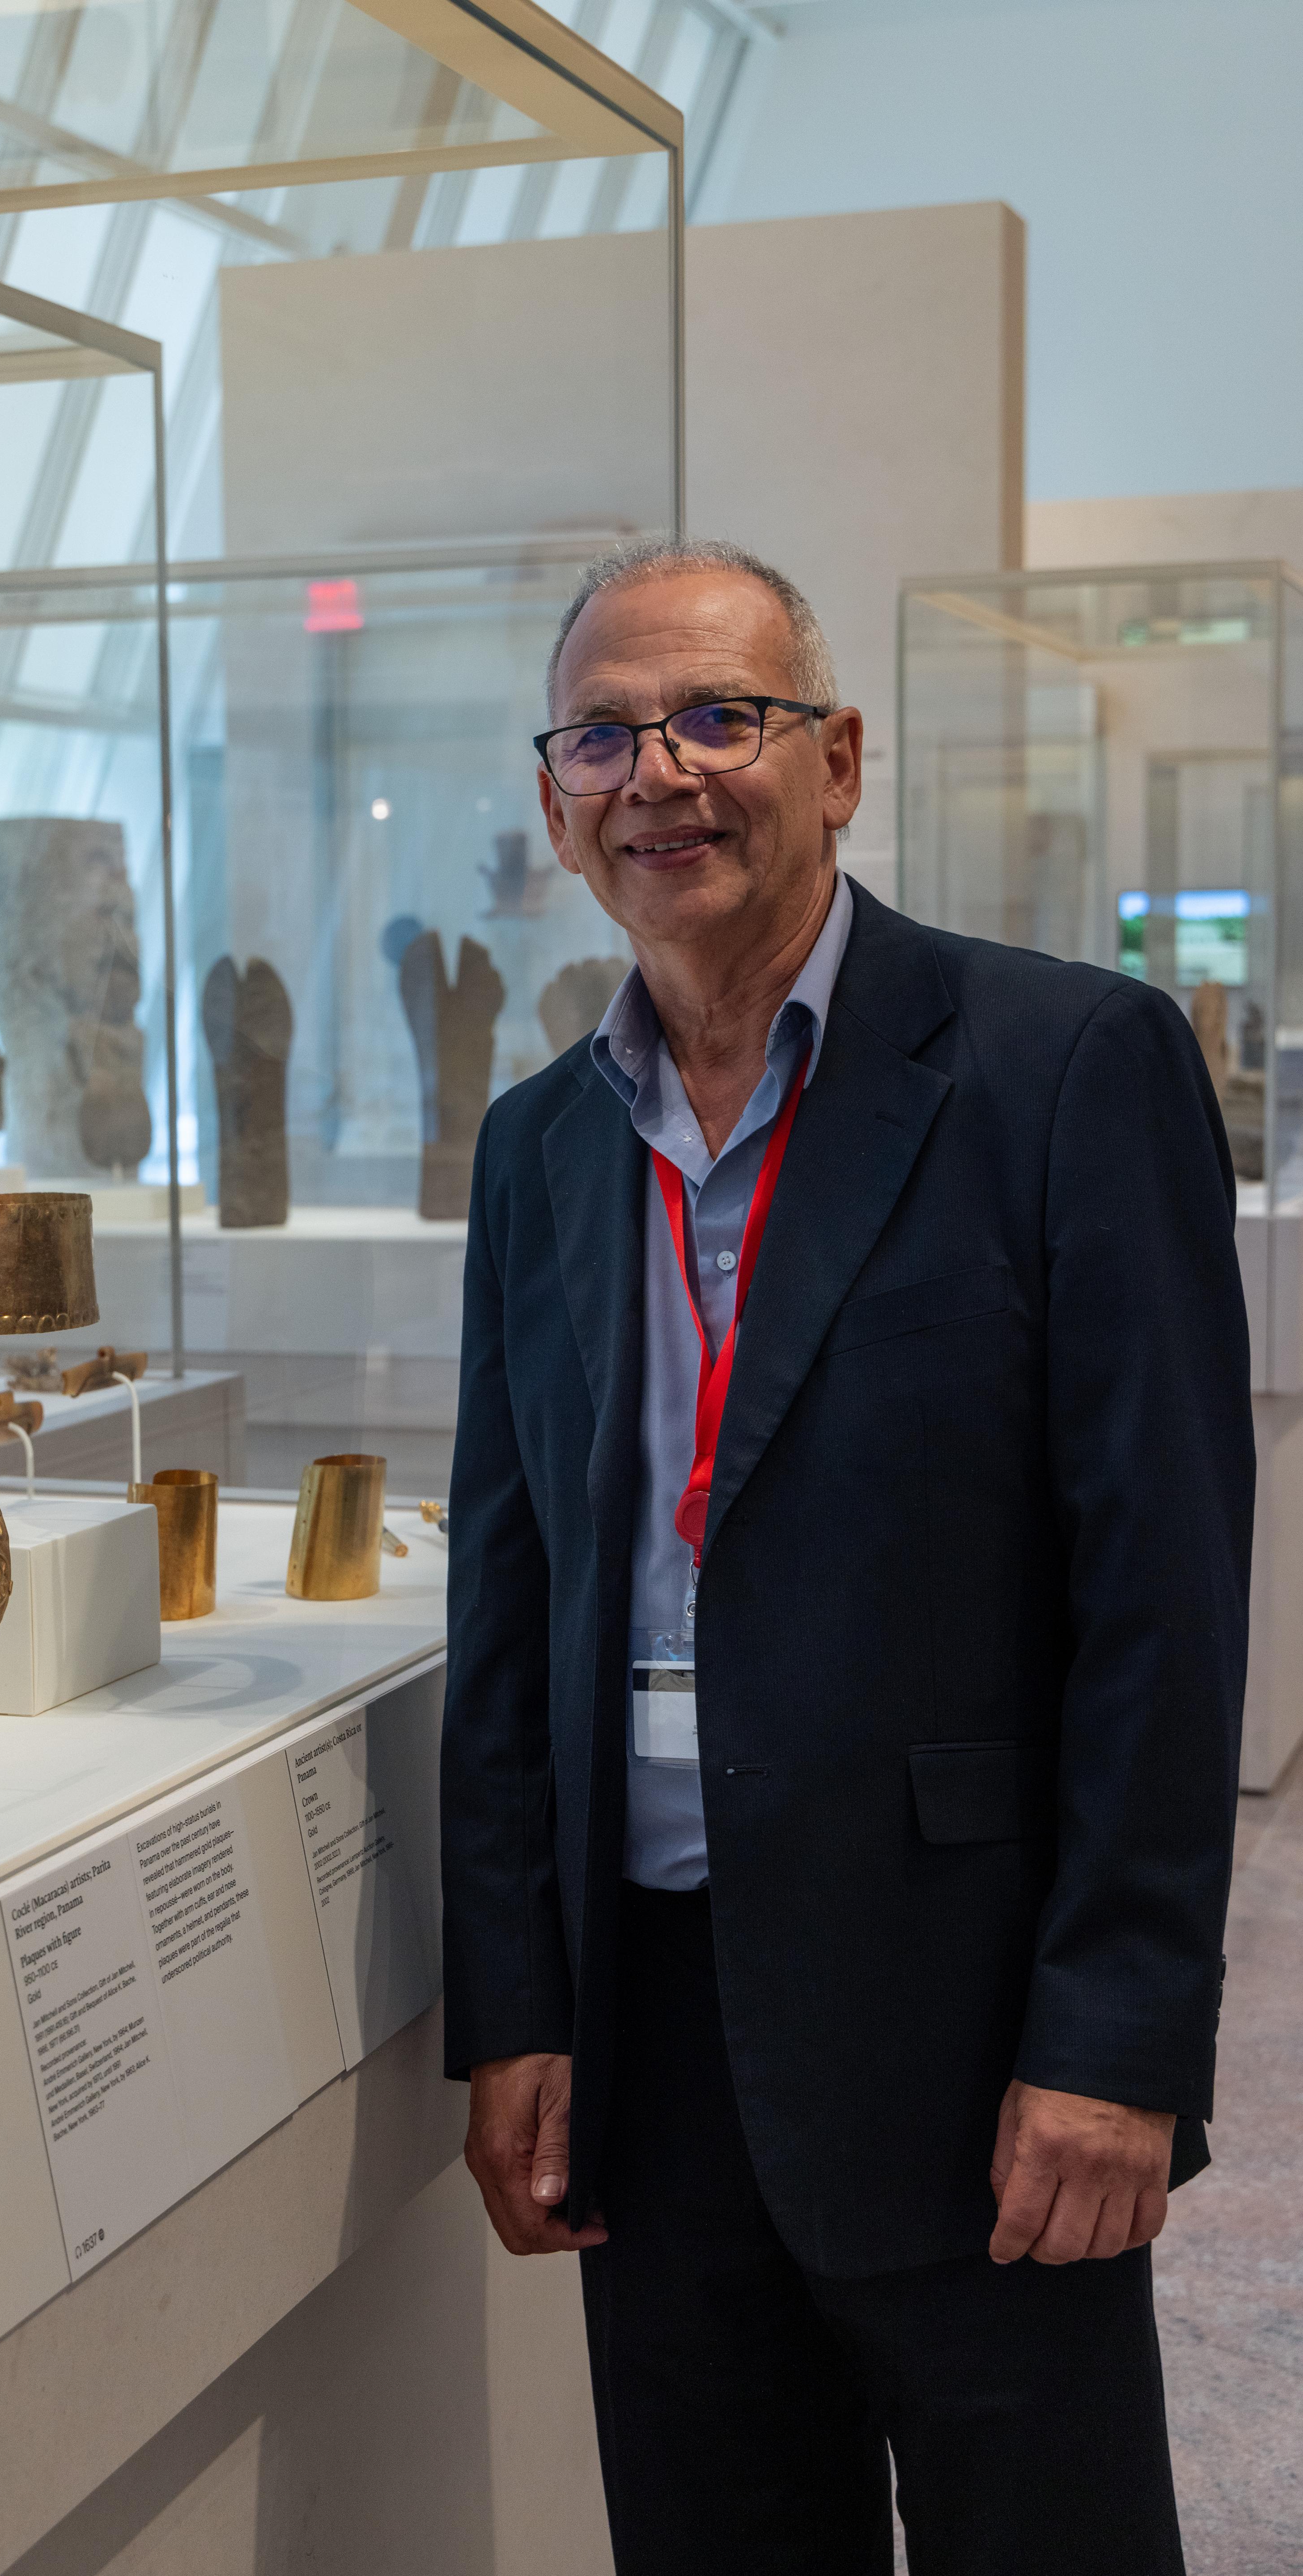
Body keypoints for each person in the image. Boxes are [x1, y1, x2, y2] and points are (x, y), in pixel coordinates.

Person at [439, 538, 1253, 2574]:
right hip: (659, 2040)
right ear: (557, 800)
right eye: (610, 734)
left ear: (842, 758)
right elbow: (513, 1603)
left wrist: (1115, 2038)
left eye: (724, 716)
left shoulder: (1064, 1069)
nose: (666, 775)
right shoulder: (542, 1148)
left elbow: (1166, 1602)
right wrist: (519, 2006)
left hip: (973, 2036)